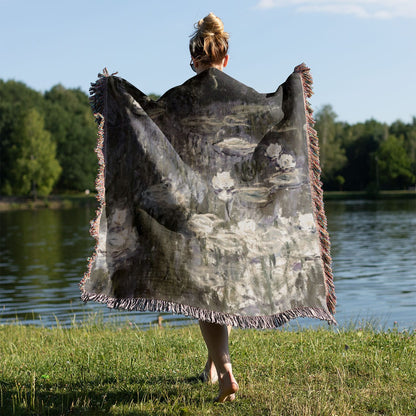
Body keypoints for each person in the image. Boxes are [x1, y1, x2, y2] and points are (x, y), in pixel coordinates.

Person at [189, 12, 238, 403]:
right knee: (221, 290)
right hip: (234, 207)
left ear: (195, 61)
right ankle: (210, 365)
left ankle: (225, 372)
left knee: (204, 297)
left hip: (197, 207)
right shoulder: (241, 95)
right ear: (225, 58)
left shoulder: (184, 97)